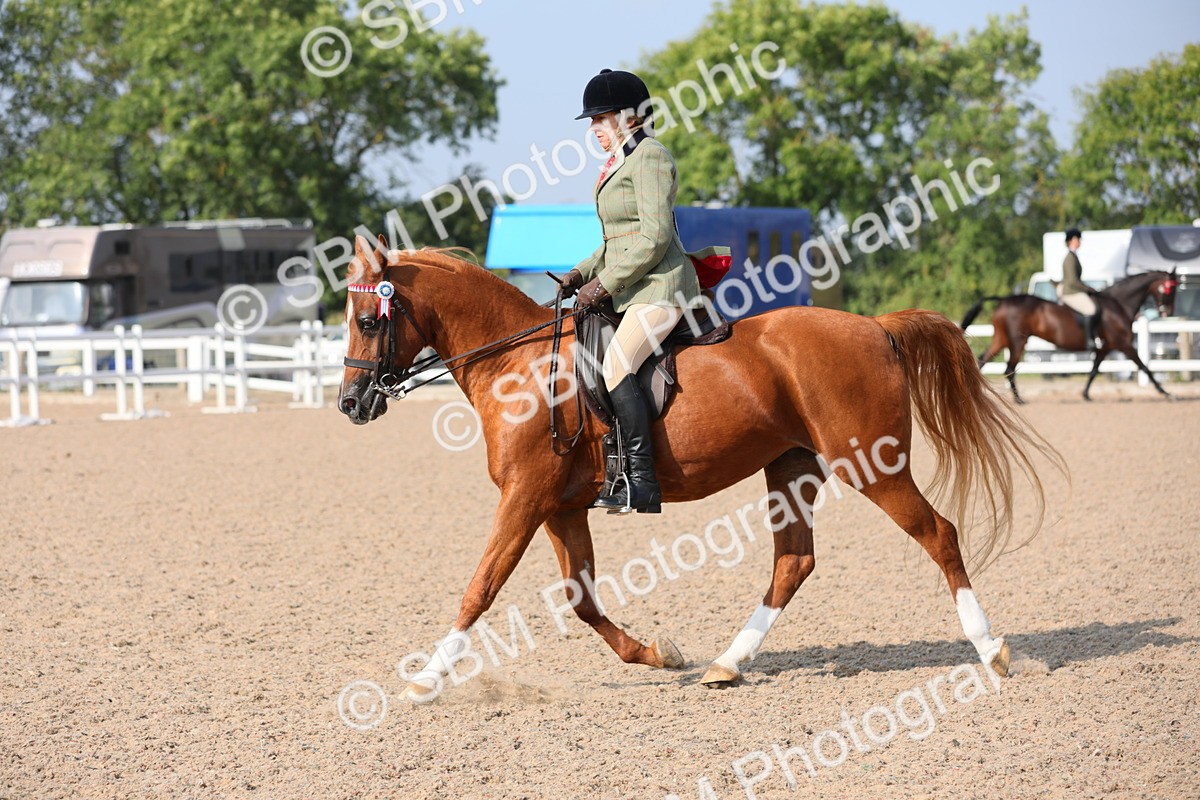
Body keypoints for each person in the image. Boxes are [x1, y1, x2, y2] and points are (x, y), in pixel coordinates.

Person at [561, 68, 701, 514]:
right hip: (631, 290)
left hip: (662, 288)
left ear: (628, 116)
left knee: (617, 362)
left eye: (601, 119)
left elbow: (655, 237)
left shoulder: (651, 157)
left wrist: (604, 283)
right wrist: (581, 274)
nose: (594, 130)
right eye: (592, 122)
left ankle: (640, 479)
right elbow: (613, 241)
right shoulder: (619, 162)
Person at [1059, 228, 1103, 350]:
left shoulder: (1073, 256)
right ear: (1072, 240)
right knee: (1091, 309)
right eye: (1078, 239)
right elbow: (1073, 281)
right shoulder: (1070, 258)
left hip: (1074, 289)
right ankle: (1089, 340)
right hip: (1070, 292)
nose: (1080, 242)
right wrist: (1087, 289)